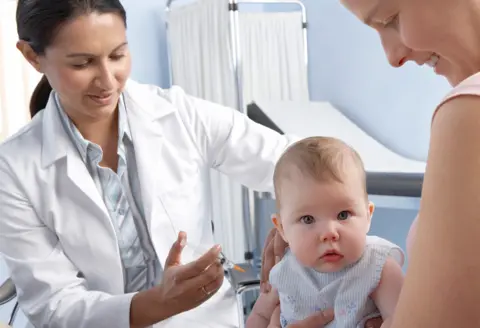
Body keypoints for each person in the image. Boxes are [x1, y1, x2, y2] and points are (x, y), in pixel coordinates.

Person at [0, 0, 300, 327]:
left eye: (117, 55)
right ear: (32, 56)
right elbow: (54, 305)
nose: (107, 80)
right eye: (82, 63)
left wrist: (296, 217)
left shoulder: (179, 115)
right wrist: (158, 303)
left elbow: (296, 160)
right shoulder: (14, 168)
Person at [257, 0, 480, 327]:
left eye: (391, 18)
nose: (392, 56)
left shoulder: (467, 112)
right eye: (307, 219)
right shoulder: (286, 275)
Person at [247, 137, 404, 328]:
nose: (329, 233)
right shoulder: (284, 273)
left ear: (368, 215)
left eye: (343, 214)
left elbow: (407, 320)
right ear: (282, 229)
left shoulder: (378, 267)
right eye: (308, 219)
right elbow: (260, 317)